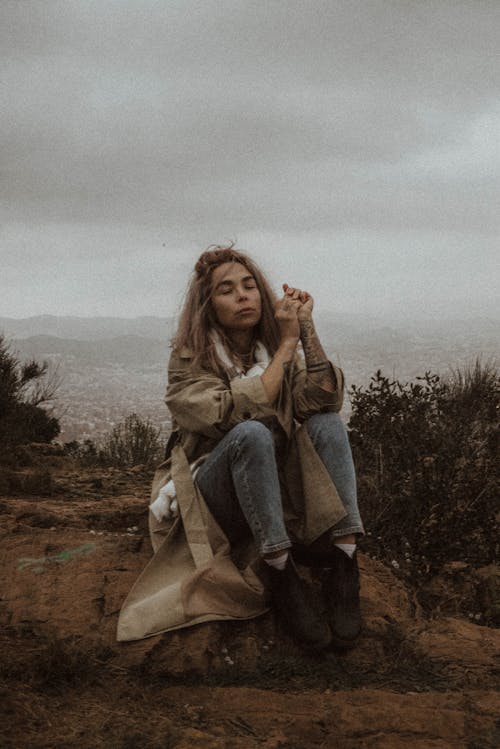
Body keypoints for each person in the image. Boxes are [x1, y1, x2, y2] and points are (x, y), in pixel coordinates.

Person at [117, 245, 364, 651]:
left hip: (274, 489)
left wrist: (305, 330)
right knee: (251, 434)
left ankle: (345, 561)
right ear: (208, 305)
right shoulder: (189, 361)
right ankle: (280, 570)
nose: (243, 296)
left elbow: (322, 399)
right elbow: (234, 414)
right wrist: (286, 348)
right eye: (227, 290)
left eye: (250, 286)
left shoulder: (271, 347)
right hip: (217, 493)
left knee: (327, 424)